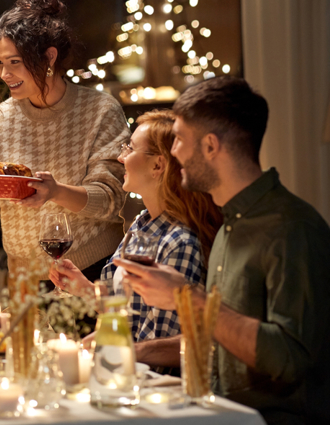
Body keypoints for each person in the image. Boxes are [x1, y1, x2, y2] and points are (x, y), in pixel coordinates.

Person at [115, 76, 330, 424]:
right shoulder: (230, 224)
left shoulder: (292, 229)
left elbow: (289, 359)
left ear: (211, 146)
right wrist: (133, 350)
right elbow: (224, 338)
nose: (173, 152)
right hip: (219, 410)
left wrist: (190, 298)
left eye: (181, 139)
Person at [0, 0, 129, 283]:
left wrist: (56, 192)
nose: (4, 74)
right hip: (25, 280)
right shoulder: (1, 119)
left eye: (15, 62)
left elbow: (113, 200)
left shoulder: (100, 111)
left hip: (92, 273)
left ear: (49, 57)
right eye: (0, 63)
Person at [49, 110, 222, 372]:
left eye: (129, 149)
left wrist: (112, 350)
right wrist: (83, 288)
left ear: (157, 165)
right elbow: (126, 308)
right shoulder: (141, 224)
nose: (121, 157)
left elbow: (161, 346)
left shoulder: (179, 242)